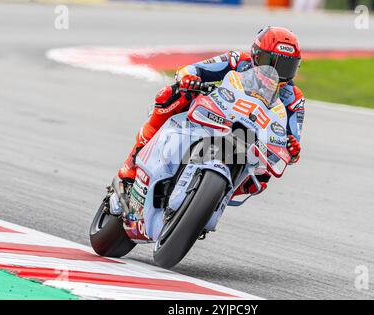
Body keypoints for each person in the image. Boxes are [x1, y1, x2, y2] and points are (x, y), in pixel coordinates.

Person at [118, 26, 305, 196]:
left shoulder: (294, 98)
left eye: (286, 67)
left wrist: (292, 149)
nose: (275, 72)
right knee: (172, 95)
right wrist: (189, 79)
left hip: (250, 139)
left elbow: (291, 143)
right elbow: (191, 69)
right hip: (217, 113)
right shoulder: (237, 61)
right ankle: (134, 160)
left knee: (262, 178)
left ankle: (215, 198)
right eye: (269, 62)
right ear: (256, 55)